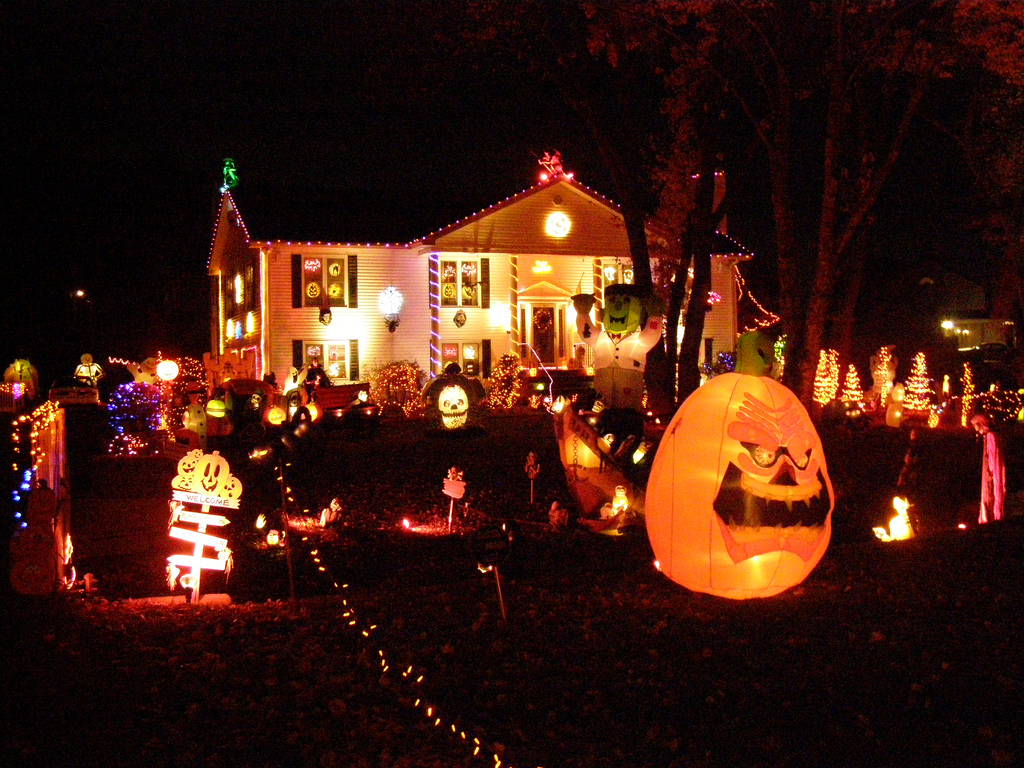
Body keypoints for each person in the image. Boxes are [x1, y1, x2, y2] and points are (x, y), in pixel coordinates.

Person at [971, 414, 1005, 524]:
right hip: (988, 472)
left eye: (976, 425)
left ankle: (993, 517)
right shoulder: (987, 436)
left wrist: (991, 472)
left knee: (991, 493)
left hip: (991, 472)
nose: (975, 428)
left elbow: (994, 456)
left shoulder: (991, 436)